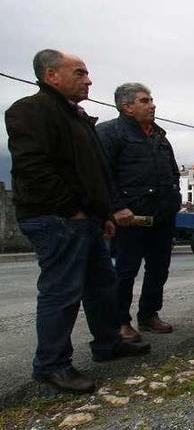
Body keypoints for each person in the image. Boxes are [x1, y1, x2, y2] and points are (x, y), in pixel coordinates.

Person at [5, 50, 150, 394]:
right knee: (62, 291)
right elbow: (34, 169)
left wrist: (101, 216)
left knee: (102, 286)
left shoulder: (77, 117)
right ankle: (52, 365)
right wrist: (73, 210)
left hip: (87, 220)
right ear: (51, 75)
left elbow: (94, 171)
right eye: (80, 73)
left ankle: (108, 343)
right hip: (57, 219)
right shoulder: (30, 110)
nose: (89, 80)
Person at [96, 83, 182, 342]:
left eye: (151, 99)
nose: (152, 105)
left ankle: (149, 314)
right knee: (125, 271)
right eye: (145, 101)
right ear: (127, 106)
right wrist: (116, 207)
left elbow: (172, 171)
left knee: (159, 268)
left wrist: (174, 199)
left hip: (162, 217)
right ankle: (120, 321)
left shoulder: (159, 135)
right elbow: (102, 173)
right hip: (130, 218)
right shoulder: (109, 132)